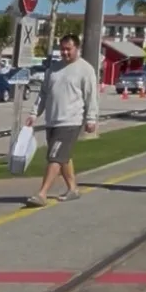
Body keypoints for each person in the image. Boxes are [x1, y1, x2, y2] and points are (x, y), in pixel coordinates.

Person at [24, 33, 99, 206]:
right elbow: (43, 94)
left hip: (71, 121)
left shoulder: (85, 70)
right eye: (62, 49)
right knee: (62, 156)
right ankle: (73, 189)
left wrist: (91, 118)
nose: (65, 53)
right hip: (53, 120)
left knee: (55, 157)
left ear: (77, 49)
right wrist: (35, 113)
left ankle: (42, 194)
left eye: (69, 49)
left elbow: (91, 96)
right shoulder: (53, 69)